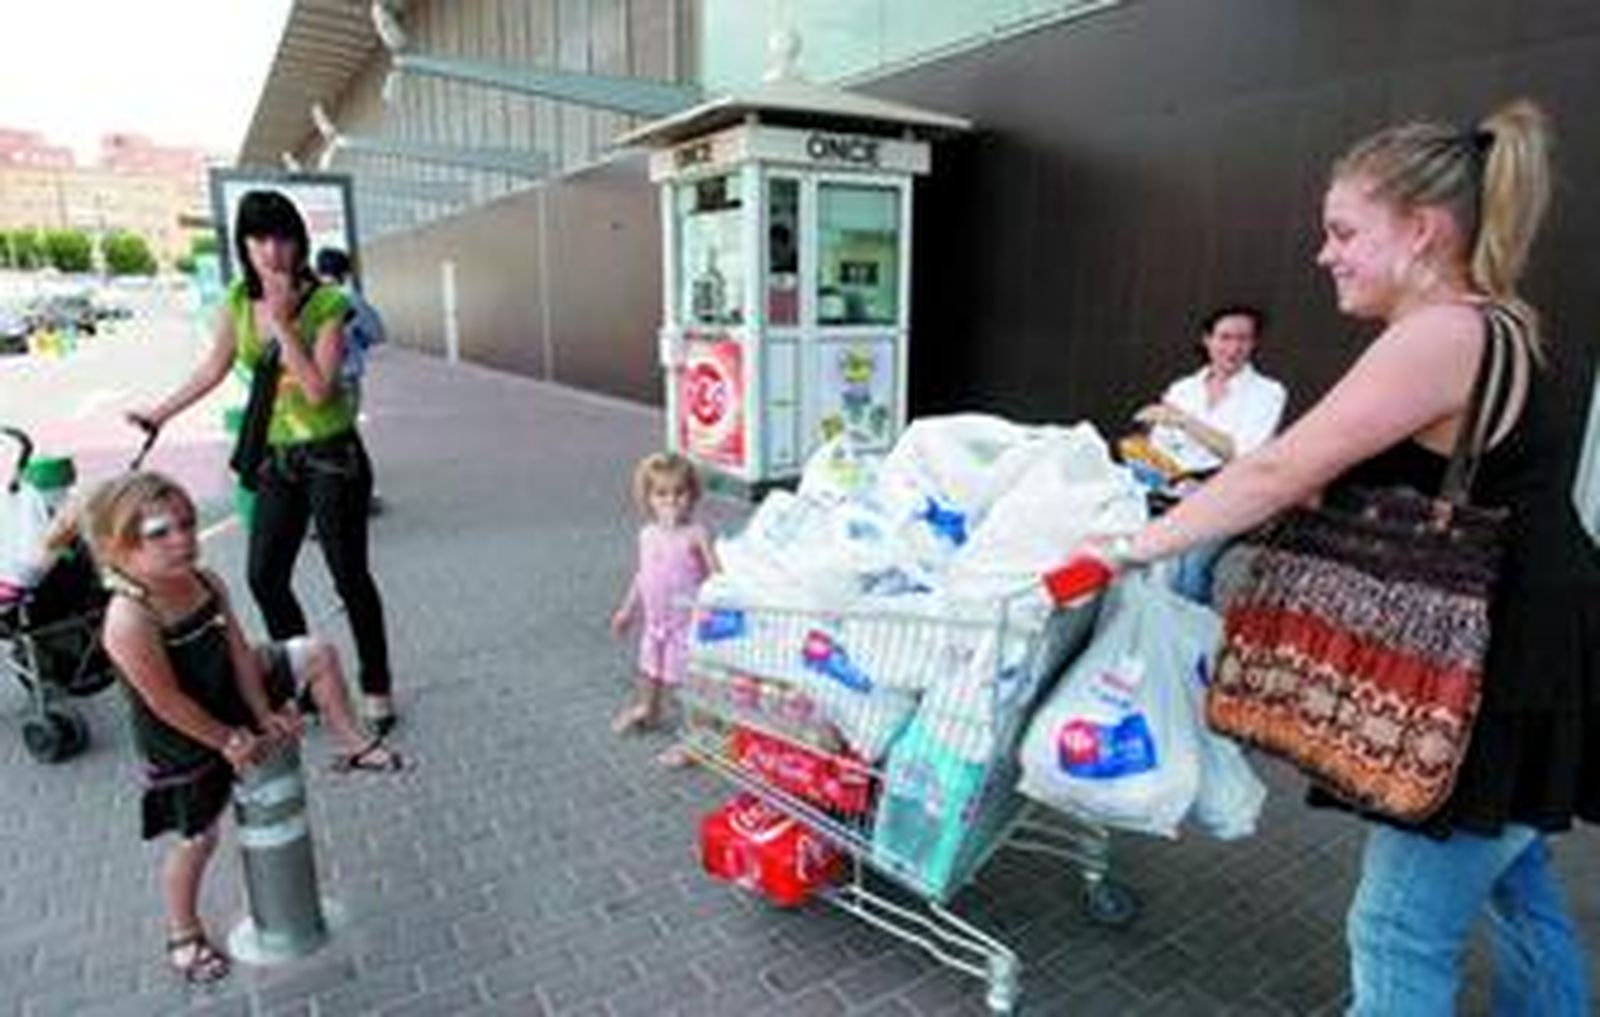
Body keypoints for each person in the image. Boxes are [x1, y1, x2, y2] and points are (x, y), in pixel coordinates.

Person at [1067, 100, 1596, 1014]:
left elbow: (1280, 466)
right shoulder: (1507, 324)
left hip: (1481, 678)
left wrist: (1123, 547)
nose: (1326, 253)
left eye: (1344, 229)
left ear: (1422, 231)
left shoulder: (1442, 333)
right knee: (1517, 885)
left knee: (1394, 933)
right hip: (1539, 654)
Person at [82, 471, 399, 985]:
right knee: (198, 839)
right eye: (160, 533)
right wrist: (228, 740)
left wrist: (260, 713)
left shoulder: (206, 581)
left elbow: (237, 649)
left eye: (187, 525)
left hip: (231, 688)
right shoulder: (129, 618)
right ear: (118, 547)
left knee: (316, 652)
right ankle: (182, 930)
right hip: (183, 733)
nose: (182, 539)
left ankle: (353, 743)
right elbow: (165, 700)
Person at [129, 190, 398, 735]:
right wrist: (161, 413)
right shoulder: (234, 301)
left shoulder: (326, 304)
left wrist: (281, 323)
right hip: (277, 458)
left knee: (349, 576)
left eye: (283, 238)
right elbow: (213, 368)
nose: (273, 251)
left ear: (300, 241)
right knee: (264, 576)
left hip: (333, 456)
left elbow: (321, 390)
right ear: (244, 244)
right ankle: (306, 674)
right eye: (260, 239)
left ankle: (376, 684)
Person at [1133, 305, 1287, 601]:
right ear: (1208, 340)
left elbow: (1245, 454)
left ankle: (1189, 641)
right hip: (1172, 493)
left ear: (1254, 343)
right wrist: (1148, 457)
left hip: (1228, 498)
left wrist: (1186, 422)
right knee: (1135, 550)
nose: (1233, 348)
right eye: (1225, 337)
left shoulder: (1268, 392)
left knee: (1189, 565)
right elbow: (1160, 450)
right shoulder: (1183, 388)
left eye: (1243, 339)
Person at [609, 452, 719, 767]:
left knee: (686, 681)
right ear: (648, 498)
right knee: (650, 669)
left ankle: (698, 736)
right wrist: (627, 610)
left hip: (686, 623)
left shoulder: (697, 534)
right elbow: (642, 576)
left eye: (679, 493)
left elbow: (716, 576)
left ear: (693, 495)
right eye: (661, 493)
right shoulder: (647, 534)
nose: (671, 501)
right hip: (655, 622)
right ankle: (648, 708)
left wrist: (715, 607)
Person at [314, 246, 388, 515]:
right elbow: (377, 332)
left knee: (320, 440)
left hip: (311, 380)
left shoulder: (307, 298)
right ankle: (356, 499)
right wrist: (356, 339)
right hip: (344, 379)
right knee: (344, 439)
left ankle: (320, 508)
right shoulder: (347, 299)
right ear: (345, 272)